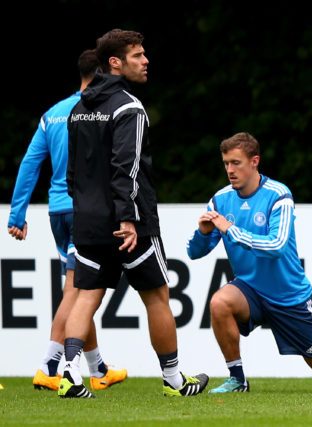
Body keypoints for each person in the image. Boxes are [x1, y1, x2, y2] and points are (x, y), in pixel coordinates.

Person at [60, 29, 208, 398]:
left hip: (89, 220)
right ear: (116, 63)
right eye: (138, 55)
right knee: (157, 296)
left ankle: (68, 373)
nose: (146, 61)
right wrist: (127, 219)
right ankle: (174, 380)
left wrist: (84, 214)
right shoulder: (130, 107)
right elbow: (124, 168)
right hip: (130, 224)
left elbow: (73, 173)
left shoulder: (78, 109)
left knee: (86, 296)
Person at [186, 132, 312, 393]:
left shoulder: (278, 194)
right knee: (219, 302)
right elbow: (193, 253)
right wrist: (203, 233)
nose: (230, 170)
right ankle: (237, 379)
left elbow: (276, 246)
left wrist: (231, 230)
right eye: (226, 163)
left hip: (288, 296)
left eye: (236, 162)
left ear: (254, 161)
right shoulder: (220, 199)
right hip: (249, 290)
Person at [7, 49, 127, 392]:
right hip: (85, 211)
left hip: (57, 212)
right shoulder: (97, 111)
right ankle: (48, 365)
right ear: (103, 72)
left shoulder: (53, 113)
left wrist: (18, 214)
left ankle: (98, 367)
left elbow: (30, 164)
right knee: (77, 293)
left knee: (80, 288)